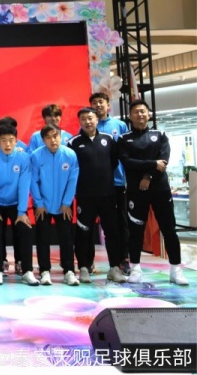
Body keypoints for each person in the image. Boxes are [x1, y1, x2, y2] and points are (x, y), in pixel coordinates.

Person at [117, 100, 188, 285]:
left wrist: (148, 176)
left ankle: (175, 269)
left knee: (169, 229)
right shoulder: (124, 139)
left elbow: (163, 161)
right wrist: (152, 164)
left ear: (149, 114)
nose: (140, 114)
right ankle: (135, 269)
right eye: (136, 112)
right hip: (136, 191)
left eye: (143, 111)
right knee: (136, 231)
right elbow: (127, 163)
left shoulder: (160, 135)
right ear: (130, 116)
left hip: (160, 189)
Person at [67, 108, 126, 284]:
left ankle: (114, 268)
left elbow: (113, 162)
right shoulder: (73, 143)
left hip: (108, 195)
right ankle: (84, 267)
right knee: (84, 233)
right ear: (80, 122)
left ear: (96, 120)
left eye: (90, 118)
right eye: (83, 119)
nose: (88, 122)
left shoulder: (108, 139)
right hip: (85, 196)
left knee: (112, 232)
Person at [0, 125, 35, 285]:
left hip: (16, 204)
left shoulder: (23, 158)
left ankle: (27, 271)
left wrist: (21, 211)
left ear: (16, 141)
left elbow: (24, 185)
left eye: (11, 140)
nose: (7, 144)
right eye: (3, 140)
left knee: (25, 230)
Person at [30, 125, 80, 286]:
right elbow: (33, 181)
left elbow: (73, 180)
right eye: (49, 137)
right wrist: (38, 203)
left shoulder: (70, 154)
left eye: (56, 136)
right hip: (42, 206)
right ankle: (44, 271)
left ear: (60, 136)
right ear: (43, 140)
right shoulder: (36, 156)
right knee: (42, 238)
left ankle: (69, 271)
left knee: (66, 238)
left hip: (63, 205)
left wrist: (67, 203)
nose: (53, 140)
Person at [89, 92, 131, 273]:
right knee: (90, 224)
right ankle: (87, 262)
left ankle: (123, 259)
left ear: (108, 105)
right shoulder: (88, 126)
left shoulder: (119, 125)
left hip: (117, 183)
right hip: (95, 186)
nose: (98, 105)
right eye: (94, 103)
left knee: (121, 223)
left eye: (101, 102)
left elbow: (126, 153)